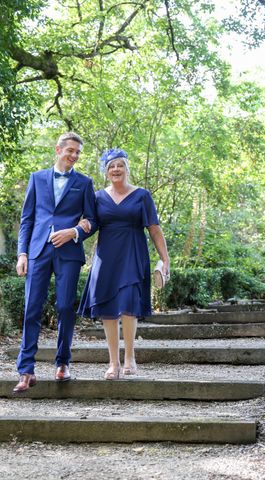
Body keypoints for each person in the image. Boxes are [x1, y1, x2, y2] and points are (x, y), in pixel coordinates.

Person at [13, 132, 97, 394]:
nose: (73, 156)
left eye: (77, 153)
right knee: (31, 309)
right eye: (70, 150)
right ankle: (26, 370)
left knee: (64, 307)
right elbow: (27, 219)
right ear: (58, 149)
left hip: (69, 253)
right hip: (38, 251)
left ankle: (63, 362)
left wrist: (74, 232)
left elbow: (93, 220)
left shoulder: (84, 183)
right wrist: (22, 253)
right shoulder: (37, 178)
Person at [78, 148, 170, 380]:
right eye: (111, 166)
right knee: (108, 309)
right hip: (106, 258)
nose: (116, 169)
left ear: (127, 169)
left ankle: (130, 357)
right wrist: (75, 230)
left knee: (129, 305)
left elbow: (155, 230)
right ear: (106, 172)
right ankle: (113, 362)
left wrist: (165, 260)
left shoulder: (142, 195)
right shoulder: (97, 197)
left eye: (120, 165)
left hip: (133, 254)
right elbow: (90, 226)